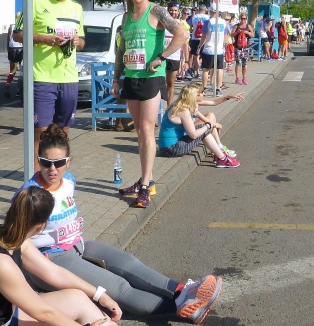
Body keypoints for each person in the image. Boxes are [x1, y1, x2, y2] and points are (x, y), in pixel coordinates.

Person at [17, 125, 222, 324]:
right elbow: (16, 238)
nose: (52, 169)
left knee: (129, 264)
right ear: (39, 160)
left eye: (59, 162)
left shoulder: (69, 180)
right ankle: (181, 308)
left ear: (68, 161)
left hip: (77, 245)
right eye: (46, 163)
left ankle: (184, 292)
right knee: (119, 287)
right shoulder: (30, 195)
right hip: (50, 259)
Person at [0, 186, 120, 326]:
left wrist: (99, 295)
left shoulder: (8, 236)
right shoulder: (0, 263)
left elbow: (55, 273)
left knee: (79, 299)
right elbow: (43, 313)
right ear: (41, 226)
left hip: (4, 317)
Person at [111, 0, 188, 209]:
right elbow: (122, 48)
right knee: (140, 132)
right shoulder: (126, 17)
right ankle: (148, 180)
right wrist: (116, 78)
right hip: (131, 77)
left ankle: (144, 186)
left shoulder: (156, 11)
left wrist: (161, 57)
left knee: (146, 129)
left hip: (152, 78)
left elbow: (182, 34)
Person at [13, 0, 85, 171]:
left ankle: (59, 177)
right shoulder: (35, 2)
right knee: (42, 133)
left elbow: (82, 42)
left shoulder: (76, 8)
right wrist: (45, 39)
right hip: (42, 77)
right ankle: (36, 179)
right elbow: (17, 35)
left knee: (63, 133)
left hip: (69, 78)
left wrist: (76, 41)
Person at [158, 83, 242, 167]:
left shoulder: (180, 104)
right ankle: (222, 158)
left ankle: (219, 153)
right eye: (202, 93)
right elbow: (193, 135)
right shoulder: (183, 111)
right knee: (204, 129)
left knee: (205, 125)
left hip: (169, 145)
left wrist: (228, 97)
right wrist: (207, 126)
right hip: (171, 149)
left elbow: (213, 102)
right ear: (195, 96)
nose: (203, 94)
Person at [199, 6, 229, 94]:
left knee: (206, 70)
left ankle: (204, 89)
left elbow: (204, 36)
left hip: (208, 49)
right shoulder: (223, 22)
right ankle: (218, 89)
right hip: (219, 49)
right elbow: (225, 36)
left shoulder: (208, 22)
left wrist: (199, 46)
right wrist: (225, 44)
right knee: (219, 69)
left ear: (211, 11)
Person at [165, 2, 188, 105]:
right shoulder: (162, 22)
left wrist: (186, 61)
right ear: (168, 10)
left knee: (170, 83)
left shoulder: (180, 24)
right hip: (162, 56)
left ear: (178, 12)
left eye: (175, 10)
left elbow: (185, 44)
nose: (173, 12)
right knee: (158, 83)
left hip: (174, 57)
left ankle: (169, 106)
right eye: (171, 10)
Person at [231, 12, 254, 85]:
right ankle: (237, 78)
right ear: (239, 18)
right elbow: (231, 34)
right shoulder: (236, 26)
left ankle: (244, 77)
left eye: (244, 19)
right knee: (238, 63)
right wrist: (237, 32)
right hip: (238, 47)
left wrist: (247, 33)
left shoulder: (248, 26)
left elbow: (253, 35)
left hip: (245, 47)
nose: (243, 20)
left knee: (245, 63)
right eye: (242, 18)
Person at [188, 5, 209, 79]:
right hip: (204, 38)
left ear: (198, 10)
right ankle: (200, 71)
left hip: (195, 38)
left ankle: (196, 71)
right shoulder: (207, 17)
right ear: (205, 10)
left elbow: (190, 27)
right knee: (203, 56)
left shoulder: (194, 17)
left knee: (196, 55)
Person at [5, 13, 23, 99]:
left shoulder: (11, 27)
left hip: (12, 49)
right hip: (21, 49)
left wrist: (8, 49)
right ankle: (19, 90)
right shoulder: (23, 25)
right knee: (22, 71)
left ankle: (8, 83)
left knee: (12, 70)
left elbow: (8, 39)